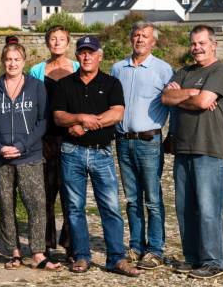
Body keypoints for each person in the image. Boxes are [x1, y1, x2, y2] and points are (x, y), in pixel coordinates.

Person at [52, 35, 140, 277]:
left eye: (91, 52)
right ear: (77, 55)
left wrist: (87, 124)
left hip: (101, 153)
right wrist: (78, 117)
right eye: (82, 52)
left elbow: (117, 114)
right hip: (71, 152)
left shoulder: (112, 83)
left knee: (110, 206)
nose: (87, 56)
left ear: (100, 55)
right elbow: (58, 116)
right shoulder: (64, 84)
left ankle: (116, 259)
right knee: (74, 208)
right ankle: (81, 256)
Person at [0, 37, 62, 271]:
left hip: (30, 156)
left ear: (24, 61)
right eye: (8, 59)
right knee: (6, 206)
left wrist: (23, 145)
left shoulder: (36, 87)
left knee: (36, 204)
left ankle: (37, 253)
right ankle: (14, 253)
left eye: (16, 59)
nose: (12, 64)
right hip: (0, 158)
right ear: (3, 61)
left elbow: (42, 120)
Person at [161, 24, 223, 279]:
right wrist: (193, 93)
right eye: (193, 43)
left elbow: (204, 101)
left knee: (208, 208)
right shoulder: (184, 71)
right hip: (182, 148)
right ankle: (193, 258)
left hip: (208, 149)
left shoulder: (221, 71)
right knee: (185, 207)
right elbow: (165, 98)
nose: (197, 48)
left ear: (213, 45)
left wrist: (189, 97)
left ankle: (214, 261)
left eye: (202, 43)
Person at [110, 21, 173, 270]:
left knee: (153, 198)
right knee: (132, 198)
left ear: (153, 41)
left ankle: (155, 249)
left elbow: (173, 104)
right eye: (136, 35)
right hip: (123, 142)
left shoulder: (163, 69)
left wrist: (172, 136)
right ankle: (136, 245)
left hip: (149, 141)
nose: (139, 39)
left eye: (145, 36)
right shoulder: (117, 69)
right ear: (130, 39)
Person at [28, 25, 80, 260]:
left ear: (68, 43)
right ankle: (46, 242)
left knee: (71, 192)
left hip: (73, 137)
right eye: (52, 39)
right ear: (47, 42)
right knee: (46, 193)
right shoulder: (37, 70)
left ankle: (71, 245)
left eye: (61, 39)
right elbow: (30, 105)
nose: (57, 42)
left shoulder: (78, 68)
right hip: (45, 139)